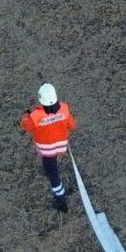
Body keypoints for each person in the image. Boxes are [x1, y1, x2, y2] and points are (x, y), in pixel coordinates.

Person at [21, 83, 75, 213]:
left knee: (52, 172)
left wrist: (26, 116)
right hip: (60, 146)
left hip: (47, 150)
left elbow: (26, 126)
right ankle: (51, 175)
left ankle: (61, 199)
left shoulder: (35, 115)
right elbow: (72, 125)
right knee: (52, 164)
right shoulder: (64, 108)